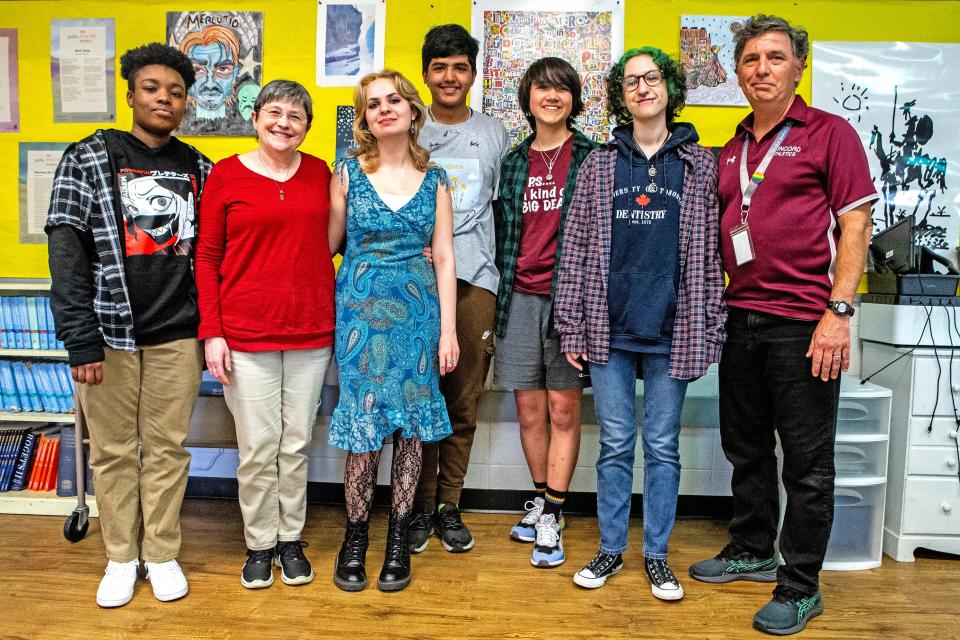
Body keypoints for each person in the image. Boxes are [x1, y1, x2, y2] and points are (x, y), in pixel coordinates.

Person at [687, 15, 877, 635]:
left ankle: (800, 585)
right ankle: (750, 549)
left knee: (807, 462)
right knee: (744, 449)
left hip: (805, 323)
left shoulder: (830, 134)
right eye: (750, 60)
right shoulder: (735, 144)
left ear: (799, 67)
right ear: (738, 72)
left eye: (774, 58)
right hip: (740, 318)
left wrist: (839, 312)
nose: (761, 69)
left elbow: (856, 226)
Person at [555, 47, 726, 600]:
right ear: (620, 95)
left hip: (674, 331)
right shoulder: (601, 166)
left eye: (652, 78)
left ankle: (656, 555)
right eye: (631, 81)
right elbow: (575, 247)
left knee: (662, 446)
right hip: (609, 329)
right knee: (614, 444)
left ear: (669, 89)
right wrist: (572, 325)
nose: (643, 87)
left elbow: (710, 257)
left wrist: (710, 329)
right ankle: (610, 550)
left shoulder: (700, 165)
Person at [45, 43, 212, 608]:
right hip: (107, 335)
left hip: (178, 334)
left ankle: (160, 553)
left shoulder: (200, 168)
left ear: (186, 103)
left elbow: (214, 255)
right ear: (131, 94)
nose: (164, 98)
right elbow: (65, 251)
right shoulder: (89, 156)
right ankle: (121, 556)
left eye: (176, 91)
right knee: (113, 451)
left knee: (167, 449)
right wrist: (79, 337)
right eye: (152, 88)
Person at [194, 80, 335, 590]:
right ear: (254, 118)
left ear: (307, 127)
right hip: (243, 335)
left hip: (311, 331)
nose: (283, 122)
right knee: (257, 447)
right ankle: (259, 544)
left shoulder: (321, 174)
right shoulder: (227, 175)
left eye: (295, 116)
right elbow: (206, 258)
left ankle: (290, 540)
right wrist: (212, 332)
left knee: (295, 445)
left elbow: (348, 235)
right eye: (274, 112)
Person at [328, 69, 458, 593]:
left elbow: (446, 256)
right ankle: (355, 536)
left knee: (409, 431)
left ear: (411, 110)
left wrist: (448, 330)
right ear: (365, 117)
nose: (384, 108)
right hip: (359, 315)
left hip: (419, 317)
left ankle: (399, 539)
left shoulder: (437, 179)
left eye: (393, 100)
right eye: (372, 103)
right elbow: (329, 245)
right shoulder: (346, 174)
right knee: (364, 429)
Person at [407, 23, 511, 556]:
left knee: (462, 402)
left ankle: (449, 505)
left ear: (473, 74)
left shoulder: (494, 133)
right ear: (426, 73)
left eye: (460, 67)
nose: (450, 77)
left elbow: (501, 208)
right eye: (439, 66)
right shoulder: (405, 127)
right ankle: (417, 506)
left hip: (476, 283)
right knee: (420, 400)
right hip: (414, 285)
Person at [493, 57, 597, 568]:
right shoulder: (513, 163)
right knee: (529, 411)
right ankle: (541, 501)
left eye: (561, 88)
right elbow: (496, 232)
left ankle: (555, 513)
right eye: (542, 88)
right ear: (528, 98)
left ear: (574, 99)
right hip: (518, 300)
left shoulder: (593, 158)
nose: (551, 96)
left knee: (563, 410)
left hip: (570, 303)